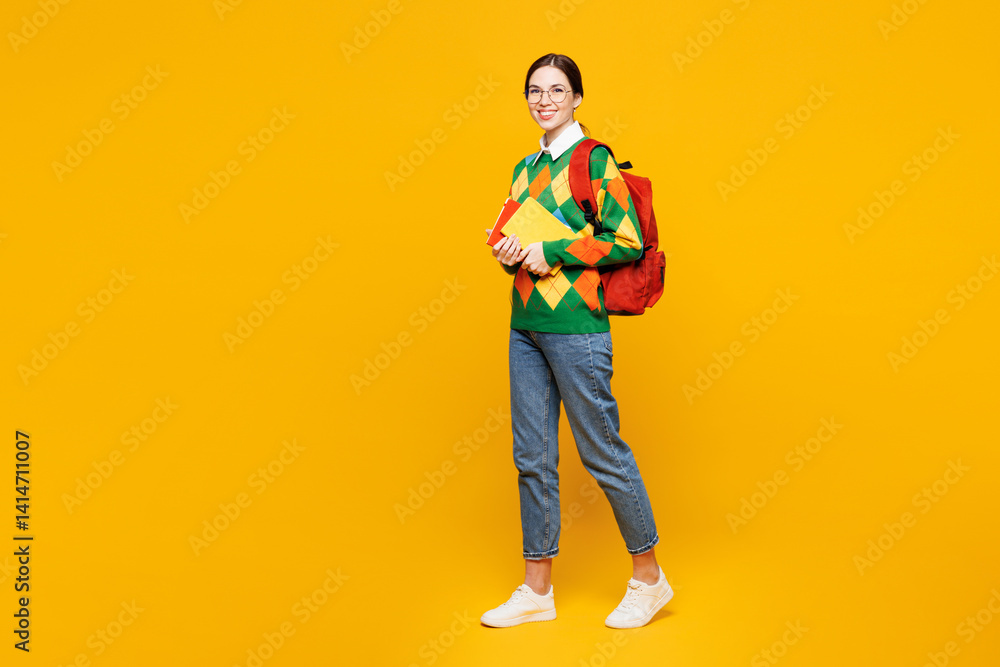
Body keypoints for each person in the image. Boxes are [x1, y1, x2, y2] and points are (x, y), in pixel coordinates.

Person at [480, 53, 673, 629]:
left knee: (601, 452)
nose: (544, 100)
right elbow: (520, 240)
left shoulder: (593, 160)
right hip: (526, 325)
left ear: (577, 97)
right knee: (532, 459)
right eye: (534, 91)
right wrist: (510, 252)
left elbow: (629, 240)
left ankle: (650, 579)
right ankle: (537, 590)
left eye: (556, 90)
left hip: (578, 328)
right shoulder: (523, 167)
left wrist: (553, 251)